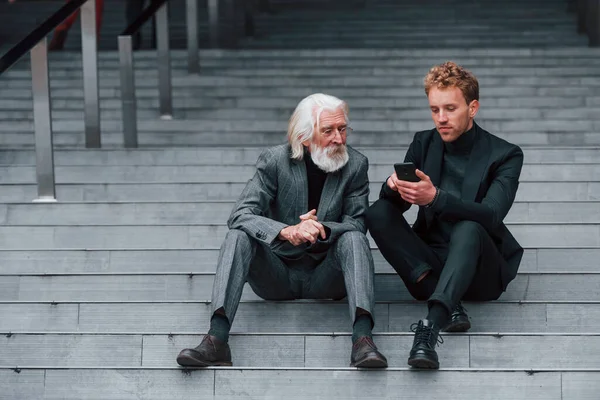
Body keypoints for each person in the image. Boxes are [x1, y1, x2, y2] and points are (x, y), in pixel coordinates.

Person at [176, 93, 388, 369]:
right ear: (304, 136)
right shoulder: (275, 161)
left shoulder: (355, 164)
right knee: (238, 235)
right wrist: (287, 231)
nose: (339, 138)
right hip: (277, 275)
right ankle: (216, 338)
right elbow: (240, 215)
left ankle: (363, 340)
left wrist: (323, 228)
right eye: (328, 131)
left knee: (354, 238)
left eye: (342, 129)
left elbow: (357, 222)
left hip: (327, 276)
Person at [366, 61, 524, 369]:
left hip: (481, 269)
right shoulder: (423, 142)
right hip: (429, 264)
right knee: (378, 212)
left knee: (469, 226)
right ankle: (450, 304)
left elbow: (491, 215)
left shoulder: (505, 154)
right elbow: (395, 207)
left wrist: (436, 197)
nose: (441, 118)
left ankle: (430, 327)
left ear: (473, 107)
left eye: (450, 108)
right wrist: (392, 186)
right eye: (435, 109)